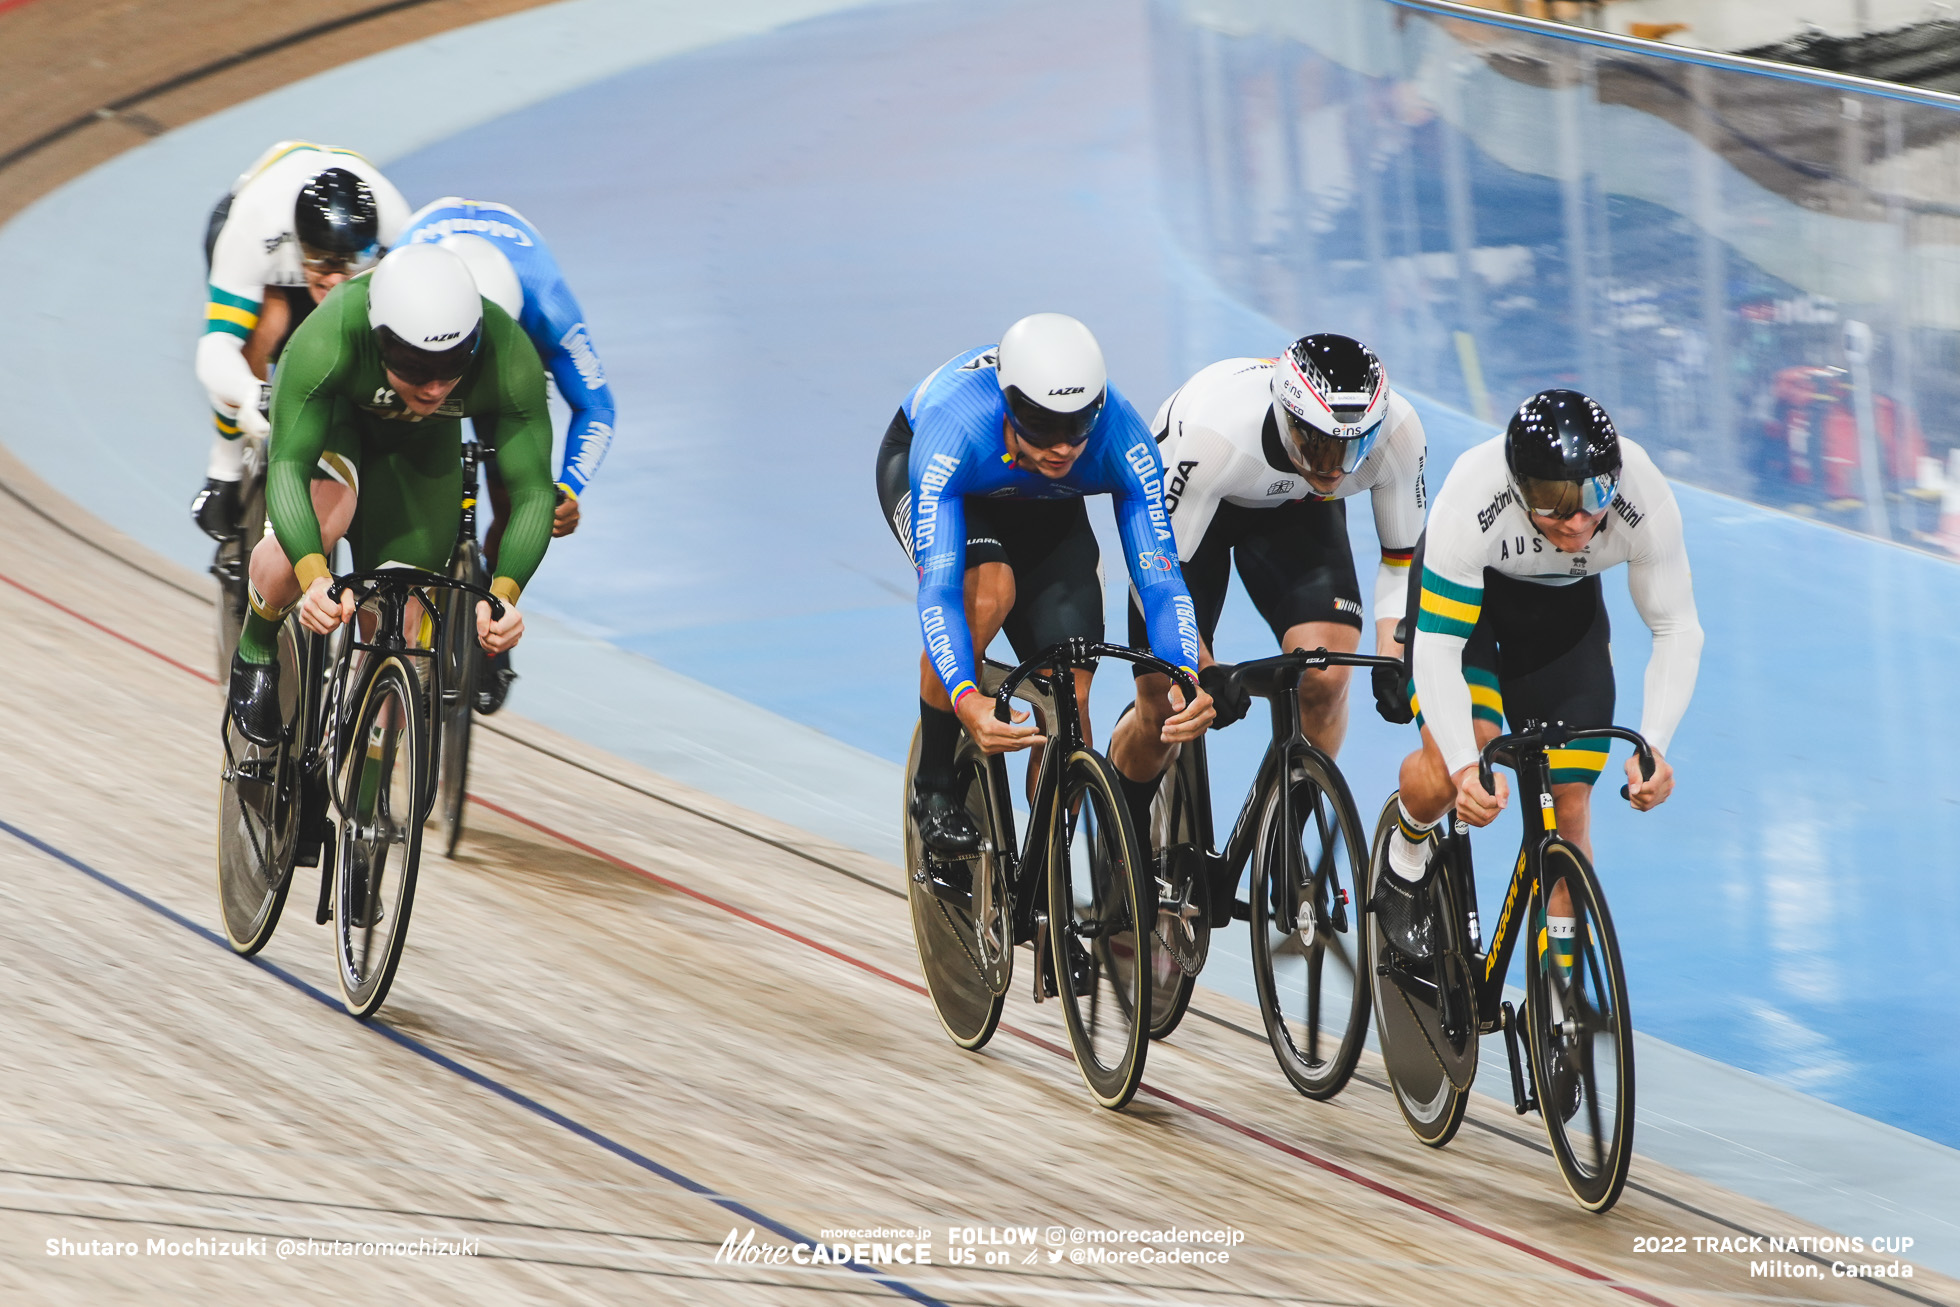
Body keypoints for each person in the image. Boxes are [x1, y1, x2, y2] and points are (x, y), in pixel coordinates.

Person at [1374, 389, 1703, 961]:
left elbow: (1677, 628)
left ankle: (1561, 1003)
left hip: (1559, 615)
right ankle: (1406, 849)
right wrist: (1458, 768)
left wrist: (1654, 745)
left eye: (1594, 496)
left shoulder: (1643, 493)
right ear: (1520, 488)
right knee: (1470, 750)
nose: (1576, 520)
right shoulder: (1473, 493)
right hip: (1468, 612)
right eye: (1553, 501)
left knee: (1568, 803)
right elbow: (1435, 651)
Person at [875, 313, 1213, 855]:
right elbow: (937, 593)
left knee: (1071, 694)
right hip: (956, 486)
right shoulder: (953, 427)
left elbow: (1161, 581)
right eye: (1042, 424)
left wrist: (1186, 671)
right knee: (985, 593)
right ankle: (934, 787)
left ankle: (1045, 871)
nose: (1061, 446)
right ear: (1009, 405)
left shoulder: (1120, 437)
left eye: (1076, 425)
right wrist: (966, 700)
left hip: (1045, 505)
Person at [1106, 334, 1425, 856]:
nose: (1330, 466)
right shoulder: (1215, 437)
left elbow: (1401, 561)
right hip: (1196, 510)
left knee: (1327, 674)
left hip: (1296, 508)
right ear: (1285, 417)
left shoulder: (1397, 436)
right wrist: (1199, 669)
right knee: (1166, 705)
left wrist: (1395, 656)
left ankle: (1282, 845)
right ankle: (1123, 843)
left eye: (1349, 449)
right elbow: (1157, 577)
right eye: (1315, 444)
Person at [224, 244, 555, 744]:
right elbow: (288, 468)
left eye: (452, 366)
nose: (433, 389)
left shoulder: (508, 354)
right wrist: (316, 578)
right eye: (414, 366)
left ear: (476, 338)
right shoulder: (330, 336)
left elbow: (532, 493)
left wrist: (505, 595)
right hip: (339, 423)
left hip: (420, 448)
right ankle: (255, 649)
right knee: (321, 522)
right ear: (380, 340)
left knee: (404, 618)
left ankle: (366, 796)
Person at [397, 197, 620, 711]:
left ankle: (492, 603)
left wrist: (564, 488)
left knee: (520, 491)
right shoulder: (409, 281)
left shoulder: (548, 304)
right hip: (426, 318)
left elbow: (597, 407)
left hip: (510, 338)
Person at [191, 141, 411, 538]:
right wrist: (250, 392)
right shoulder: (256, 223)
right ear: (300, 243)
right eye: (323, 260)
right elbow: (217, 344)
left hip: (317, 253)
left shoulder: (397, 228)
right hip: (264, 254)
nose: (336, 277)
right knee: (264, 324)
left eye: (349, 259)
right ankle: (224, 469)